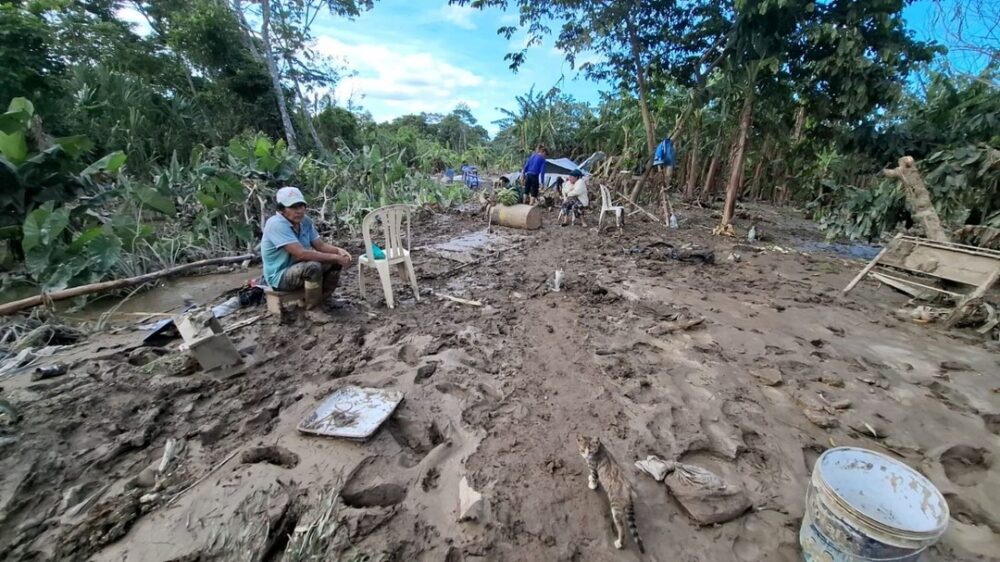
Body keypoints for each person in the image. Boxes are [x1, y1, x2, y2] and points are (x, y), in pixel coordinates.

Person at [261, 187, 352, 303]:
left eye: (301, 206)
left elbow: (321, 246)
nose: (299, 211)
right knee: (313, 267)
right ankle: (313, 308)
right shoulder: (276, 224)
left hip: (298, 268)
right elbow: (301, 254)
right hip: (280, 277)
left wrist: (339, 251)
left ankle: (325, 298)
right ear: (281, 209)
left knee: (334, 262)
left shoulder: (305, 221)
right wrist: (335, 257)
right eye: (293, 207)